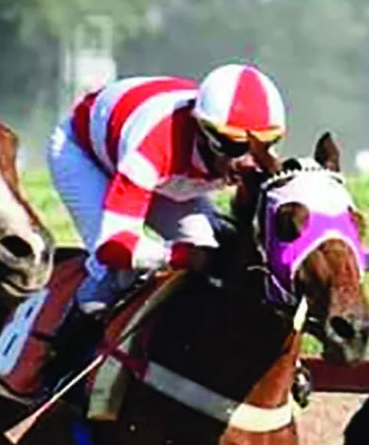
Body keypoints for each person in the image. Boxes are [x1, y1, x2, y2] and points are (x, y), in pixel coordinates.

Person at [43, 63, 287, 386]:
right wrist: (180, 256)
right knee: (115, 274)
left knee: (218, 254)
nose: (249, 161)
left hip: (170, 174)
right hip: (86, 156)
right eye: (235, 146)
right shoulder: (155, 145)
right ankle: (57, 368)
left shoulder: (239, 154)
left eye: (263, 145)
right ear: (206, 133)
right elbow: (115, 246)